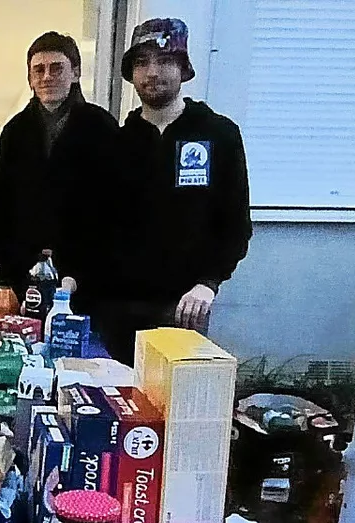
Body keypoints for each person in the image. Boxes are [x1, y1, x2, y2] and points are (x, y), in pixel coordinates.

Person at [98, 18, 252, 363]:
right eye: (142, 62)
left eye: (165, 60)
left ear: (183, 68)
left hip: (184, 308)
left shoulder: (218, 135)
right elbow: (96, 226)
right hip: (117, 311)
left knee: (176, 395)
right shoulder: (115, 144)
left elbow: (235, 224)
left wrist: (208, 283)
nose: (152, 72)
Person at [0, 32, 121, 306]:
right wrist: (7, 262)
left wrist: (84, 270)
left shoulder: (102, 127)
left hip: (91, 276)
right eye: (38, 70)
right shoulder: (15, 131)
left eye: (56, 68)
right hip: (23, 274)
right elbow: (0, 203)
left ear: (75, 73)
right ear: (30, 79)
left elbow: (115, 207)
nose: (47, 77)